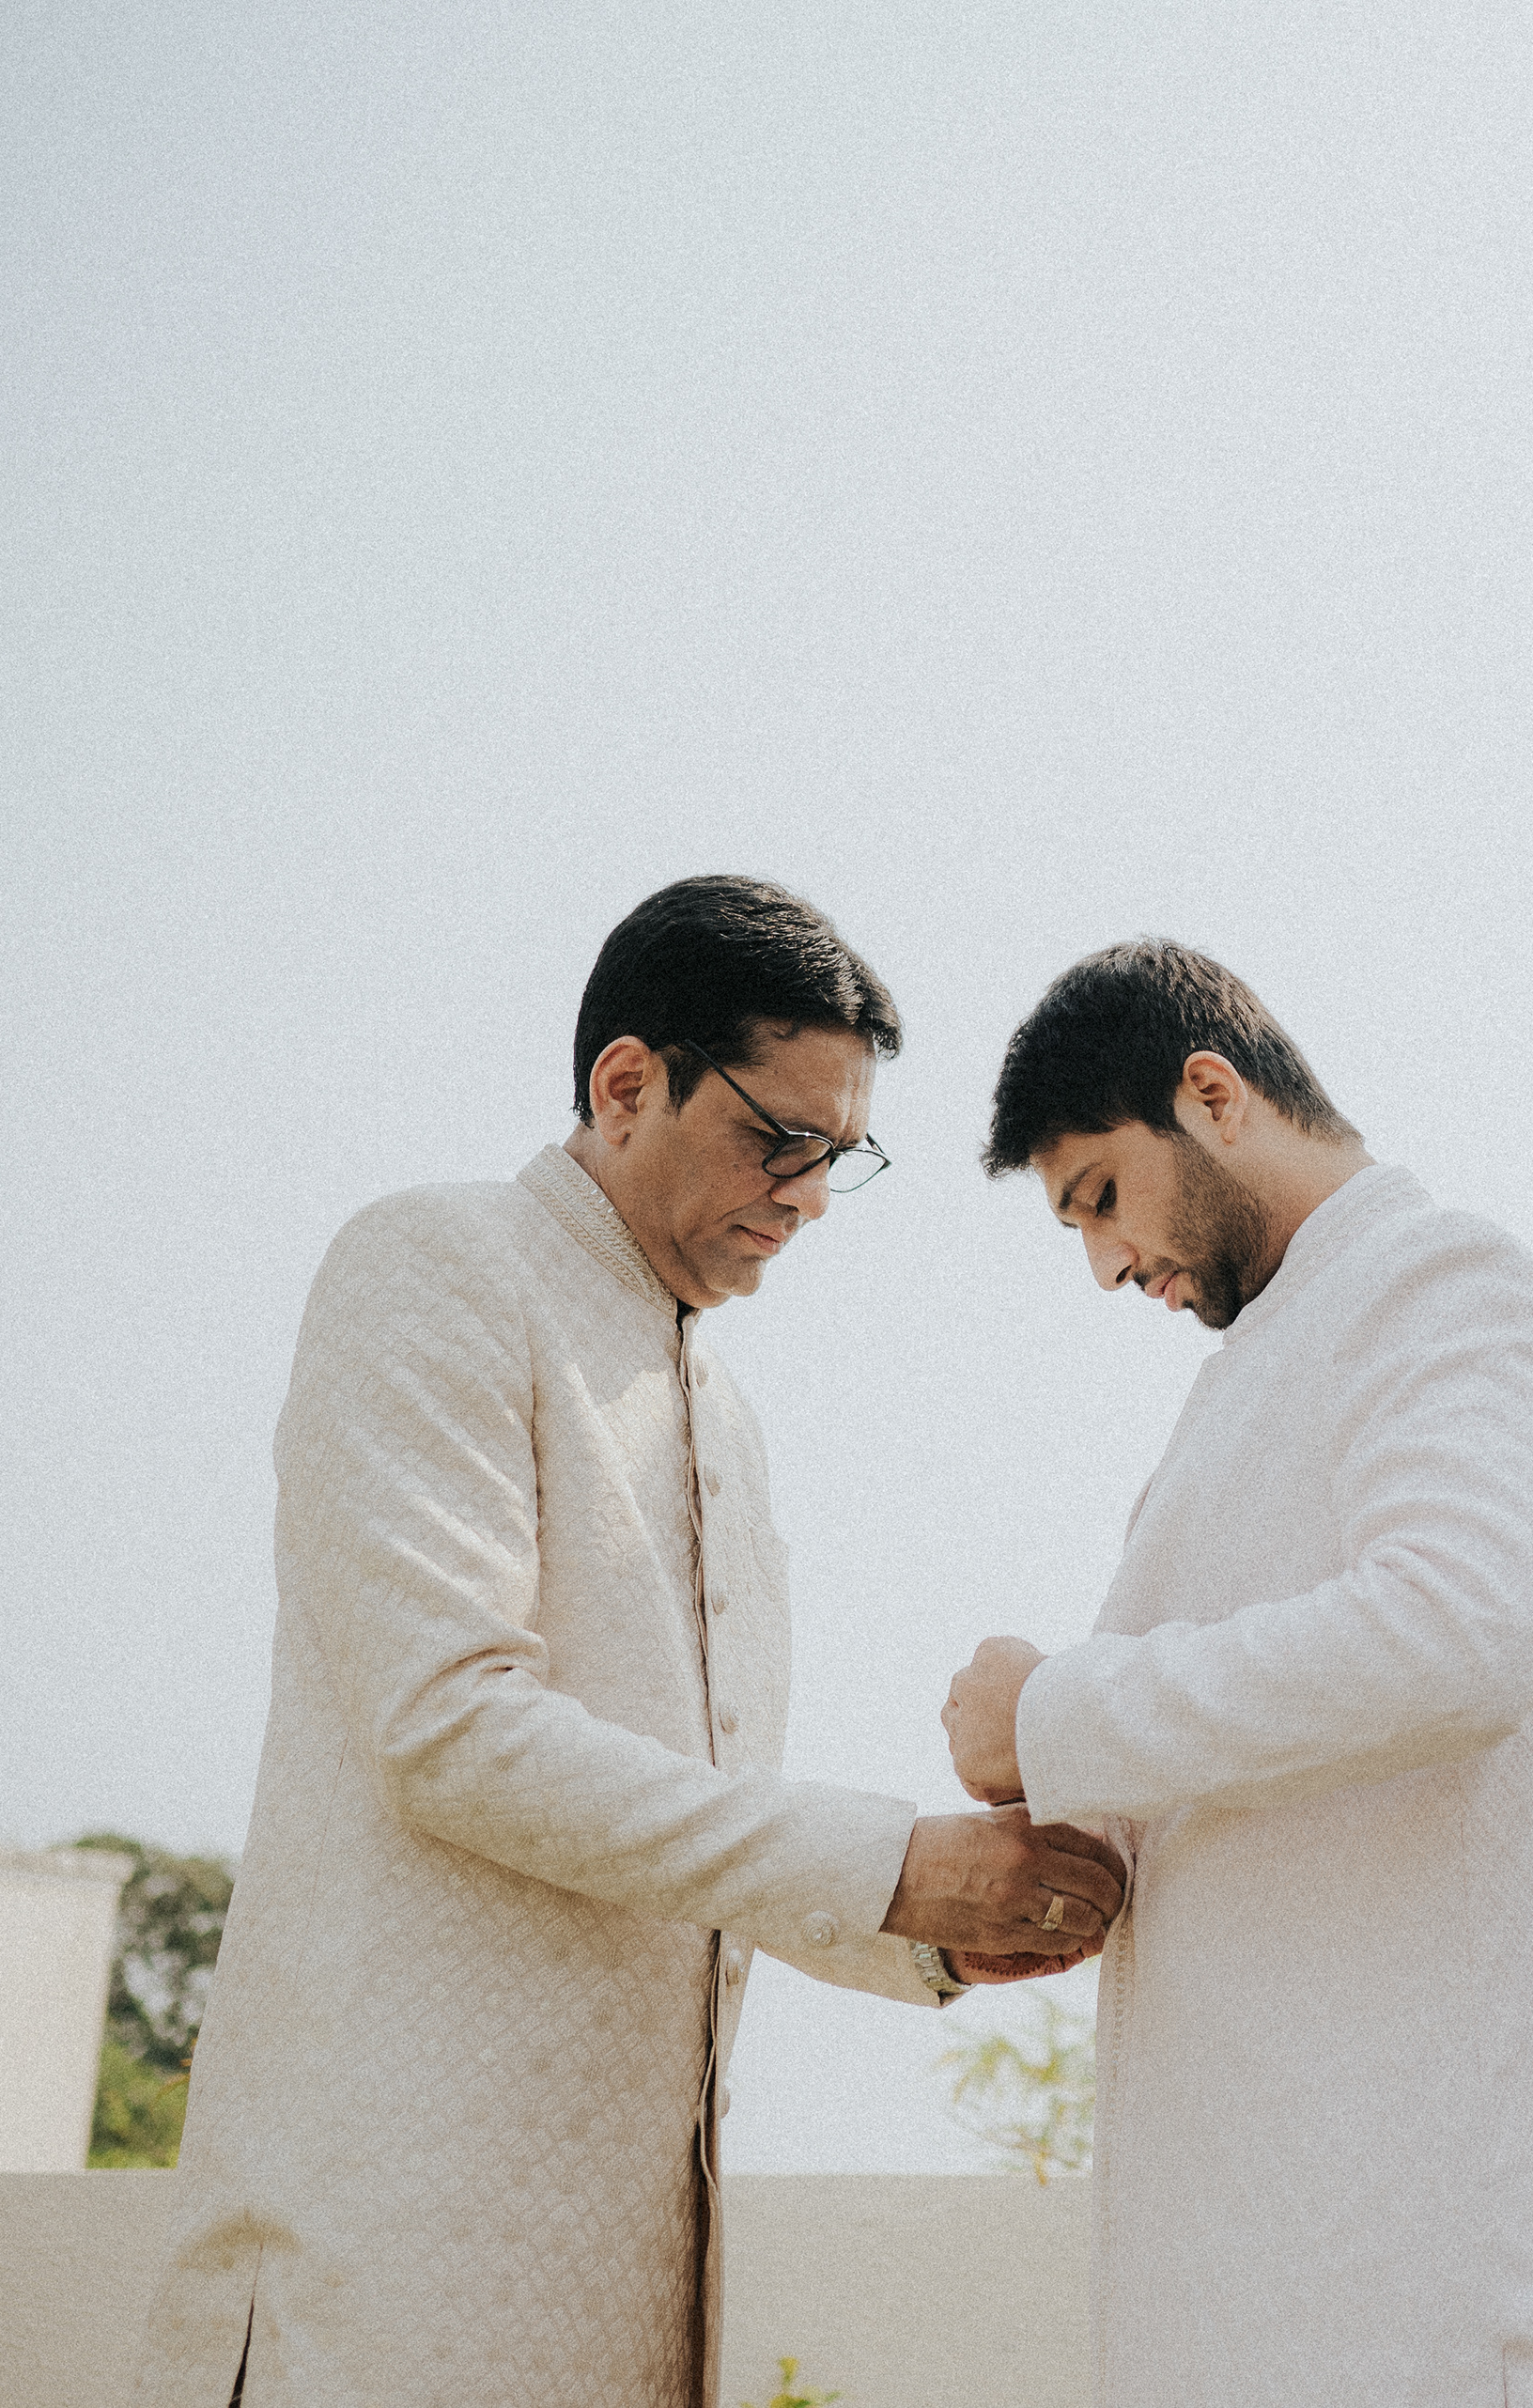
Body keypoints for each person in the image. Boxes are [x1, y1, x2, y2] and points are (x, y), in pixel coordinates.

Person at [135, 877, 1123, 2408]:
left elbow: (694, 1832)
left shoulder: (722, 1409)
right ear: (625, 1084)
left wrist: (932, 1935)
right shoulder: (436, 1262)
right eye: (778, 1138)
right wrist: (891, 1867)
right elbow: (453, 1731)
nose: (808, 1195)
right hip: (383, 2272)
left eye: (839, 1157)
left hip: (630, 2291)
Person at [941, 937, 1533, 2408]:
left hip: (1432, 2280)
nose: (1106, 1264)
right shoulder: (1252, 1375)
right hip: (1282, 2270)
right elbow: (1231, 1756)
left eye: (1101, 1195)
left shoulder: (1441, 1280)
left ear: (1212, 1096)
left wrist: (1049, 1712)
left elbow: (1458, 1631)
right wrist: (1049, 1856)